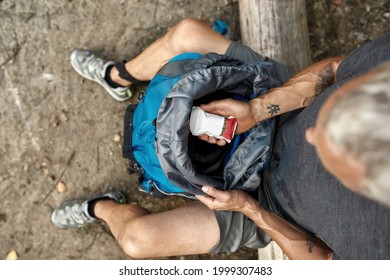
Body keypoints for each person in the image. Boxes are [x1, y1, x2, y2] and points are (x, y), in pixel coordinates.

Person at [51, 18, 390, 259]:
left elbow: (322, 265)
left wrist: (248, 208)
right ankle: (119, 77)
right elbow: (334, 70)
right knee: (186, 34)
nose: (311, 133)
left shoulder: (378, 253)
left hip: (271, 206)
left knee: (137, 241)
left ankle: (102, 208)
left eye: (338, 154)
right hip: (272, 104)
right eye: (339, 112)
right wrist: (258, 109)